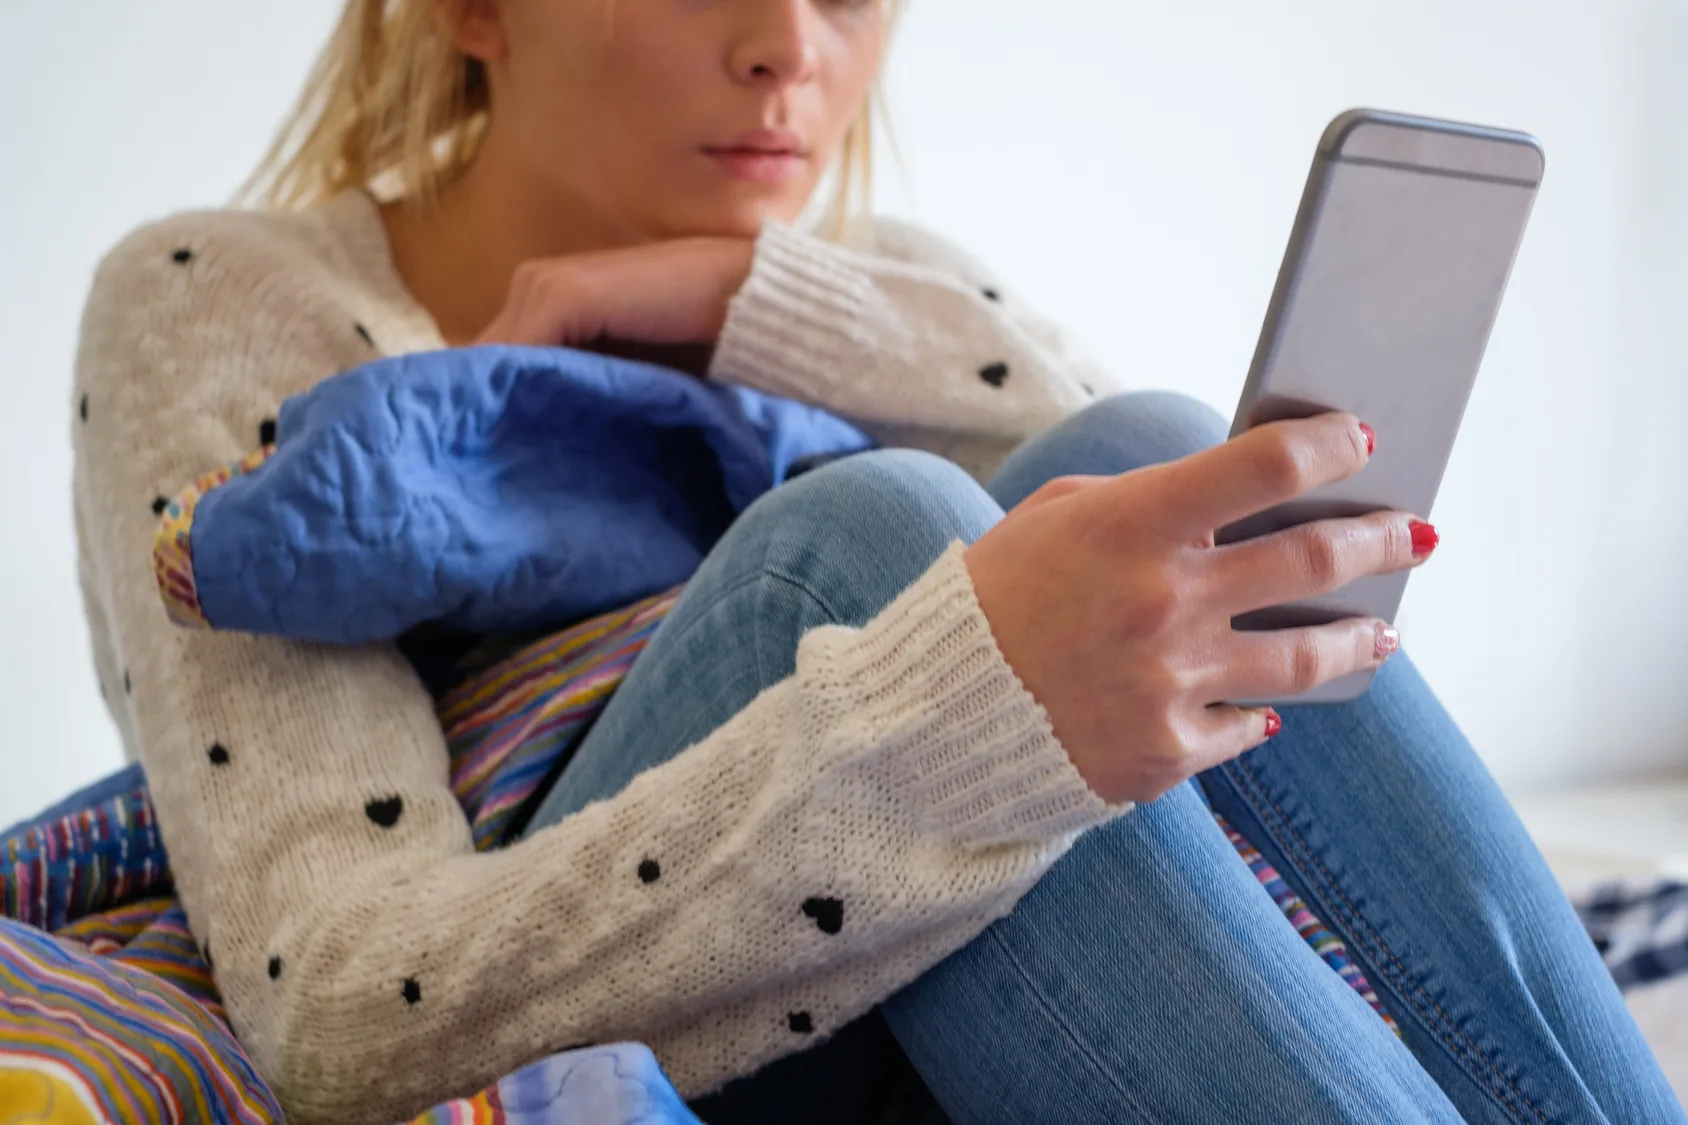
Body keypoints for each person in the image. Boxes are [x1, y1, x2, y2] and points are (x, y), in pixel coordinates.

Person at [68, 1, 1680, 1123]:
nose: (789, 46)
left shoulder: (890, 283)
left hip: (909, 989)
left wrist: (753, 297)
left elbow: (1129, 476)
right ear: (476, 7)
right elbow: (342, 1019)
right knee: (868, 540)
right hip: (615, 999)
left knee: (1142, 449)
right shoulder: (224, 295)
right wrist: (962, 726)